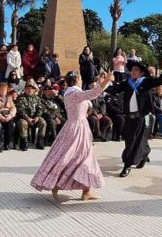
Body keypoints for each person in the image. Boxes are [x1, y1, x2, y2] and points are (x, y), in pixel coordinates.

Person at [31, 71, 112, 201]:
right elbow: (92, 93)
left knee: (74, 156)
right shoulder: (74, 93)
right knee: (78, 157)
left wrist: (103, 82)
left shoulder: (71, 92)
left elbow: (90, 95)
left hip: (74, 126)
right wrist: (107, 80)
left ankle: (85, 189)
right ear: (77, 80)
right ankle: (59, 183)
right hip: (77, 128)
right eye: (80, 78)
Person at [105, 61, 162, 177]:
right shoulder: (127, 83)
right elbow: (115, 89)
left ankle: (127, 165)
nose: (133, 72)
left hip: (142, 117)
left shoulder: (146, 82)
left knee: (137, 141)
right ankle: (144, 154)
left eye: (136, 70)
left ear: (141, 73)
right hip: (129, 117)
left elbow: (159, 81)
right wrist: (104, 84)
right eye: (132, 70)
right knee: (129, 140)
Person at [16, 81, 47, 151]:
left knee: (43, 122)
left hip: (35, 118)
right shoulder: (21, 98)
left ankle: (40, 141)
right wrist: (28, 118)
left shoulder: (37, 98)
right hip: (23, 118)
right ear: (25, 89)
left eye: (31, 89)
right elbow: (20, 110)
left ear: (34, 90)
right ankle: (24, 142)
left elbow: (40, 108)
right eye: (28, 88)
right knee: (23, 123)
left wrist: (37, 117)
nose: (30, 90)